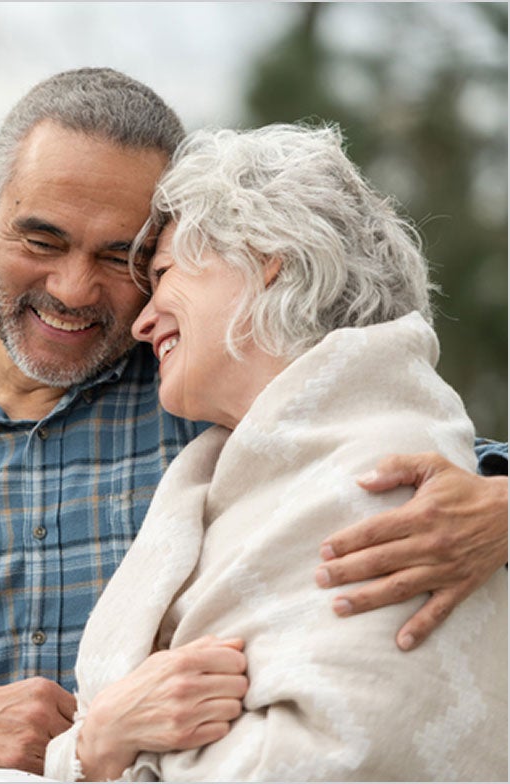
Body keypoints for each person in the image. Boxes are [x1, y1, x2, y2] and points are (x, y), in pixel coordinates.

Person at [0, 68, 508, 782]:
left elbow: (396, 457)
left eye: (121, 256)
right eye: (41, 240)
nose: (73, 289)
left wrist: (502, 507)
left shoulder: (206, 393)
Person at [45, 123, 507, 781]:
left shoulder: (395, 471)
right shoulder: (233, 475)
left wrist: (111, 751)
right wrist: (103, 738)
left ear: (267, 255)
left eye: (167, 273)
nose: (142, 322)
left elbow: (339, 756)